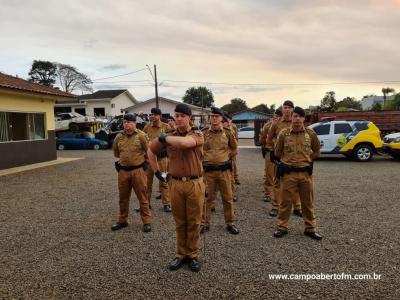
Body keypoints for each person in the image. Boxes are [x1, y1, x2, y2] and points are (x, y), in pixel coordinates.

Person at [147, 103, 205, 272]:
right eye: (176, 115)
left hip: (194, 183)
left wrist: (164, 138)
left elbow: (185, 144)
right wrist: (157, 171)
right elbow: (151, 151)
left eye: (182, 115)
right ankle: (180, 254)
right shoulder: (169, 136)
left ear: (189, 118)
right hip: (176, 183)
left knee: (194, 221)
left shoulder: (197, 134)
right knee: (180, 221)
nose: (178, 118)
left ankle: (193, 255)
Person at [273, 106, 322, 240]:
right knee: (285, 202)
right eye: (295, 116)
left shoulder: (310, 134)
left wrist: (305, 160)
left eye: (300, 116)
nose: (297, 119)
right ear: (292, 117)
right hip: (289, 174)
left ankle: (310, 228)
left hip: (306, 173)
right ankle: (282, 226)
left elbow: (317, 152)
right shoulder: (284, 133)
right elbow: (277, 153)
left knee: (308, 202)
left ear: (304, 119)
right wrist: (289, 161)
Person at [200, 107, 239, 235]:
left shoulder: (228, 132)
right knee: (207, 198)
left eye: (217, 116)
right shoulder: (203, 133)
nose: (214, 118)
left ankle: (230, 223)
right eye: (212, 116)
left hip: (224, 171)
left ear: (222, 118)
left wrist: (226, 158)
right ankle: (204, 223)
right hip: (208, 172)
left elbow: (234, 149)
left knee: (227, 198)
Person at [111, 113, 152, 233]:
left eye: (129, 122)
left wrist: (144, 166)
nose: (126, 124)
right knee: (123, 198)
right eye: (124, 122)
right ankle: (122, 220)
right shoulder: (119, 137)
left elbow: (148, 153)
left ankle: (147, 221)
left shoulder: (141, 136)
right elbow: (116, 153)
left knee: (143, 197)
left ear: (134, 123)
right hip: (123, 171)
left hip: (138, 171)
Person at [266, 100, 302, 217]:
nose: (286, 110)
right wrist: (275, 151)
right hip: (280, 158)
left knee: (296, 183)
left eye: (289, 107)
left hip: (294, 159)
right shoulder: (276, 123)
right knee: (277, 183)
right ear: (282, 109)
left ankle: (297, 207)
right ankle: (275, 207)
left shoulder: (296, 122)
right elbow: (269, 139)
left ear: (293, 109)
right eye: (284, 107)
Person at [143, 108, 172, 212]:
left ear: (159, 115)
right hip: (149, 160)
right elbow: (143, 139)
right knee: (147, 183)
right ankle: (146, 204)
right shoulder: (147, 126)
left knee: (163, 181)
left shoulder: (166, 126)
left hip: (162, 159)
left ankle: (167, 204)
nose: (153, 116)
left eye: (155, 114)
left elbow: (171, 142)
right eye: (152, 114)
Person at [259, 109, 282, 202]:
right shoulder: (268, 125)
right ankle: (267, 193)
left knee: (281, 174)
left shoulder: (286, 125)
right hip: (270, 151)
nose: (275, 118)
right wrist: (270, 143)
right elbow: (262, 139)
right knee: (269, 174)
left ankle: (280, 194)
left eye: (278, 116)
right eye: (275, 116)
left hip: (282, 153)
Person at [224, 113, 240, 185]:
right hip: (225, 149)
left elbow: (236, 137)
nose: (228, 121)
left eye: (229, 119)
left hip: (231, 148)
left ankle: (235, 178)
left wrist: (235, 147)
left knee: (233, 164)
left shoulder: (233, 126)